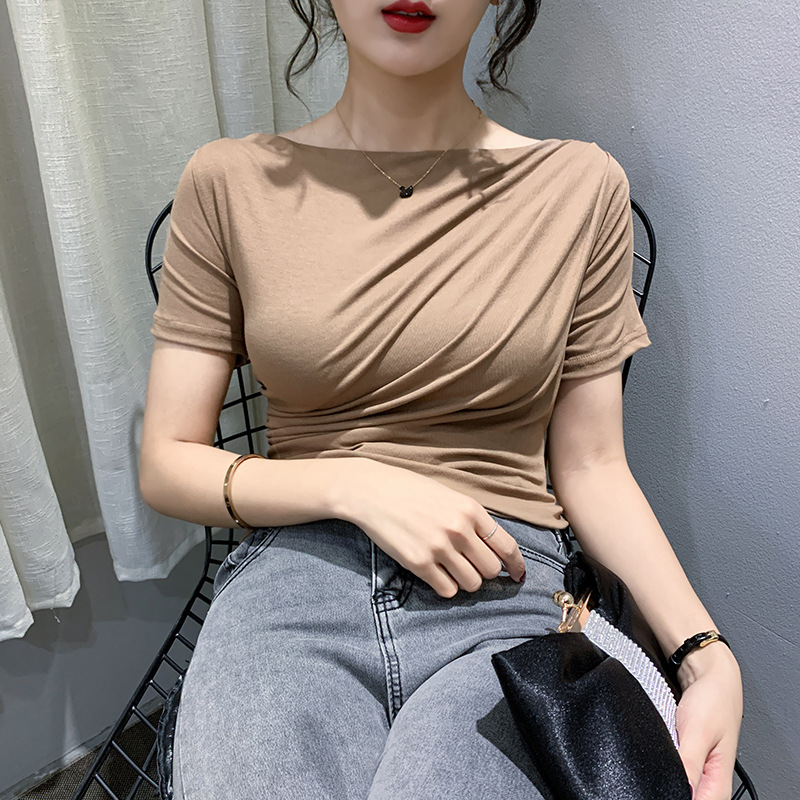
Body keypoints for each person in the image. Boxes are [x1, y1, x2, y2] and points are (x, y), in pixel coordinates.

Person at [139, 1, 744, 798]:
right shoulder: (228, 181)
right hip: (293, 584)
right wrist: (351, 484)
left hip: (506, 590)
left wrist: (705, 654)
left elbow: (593, 466)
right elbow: (167, 460)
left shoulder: (580, 188)